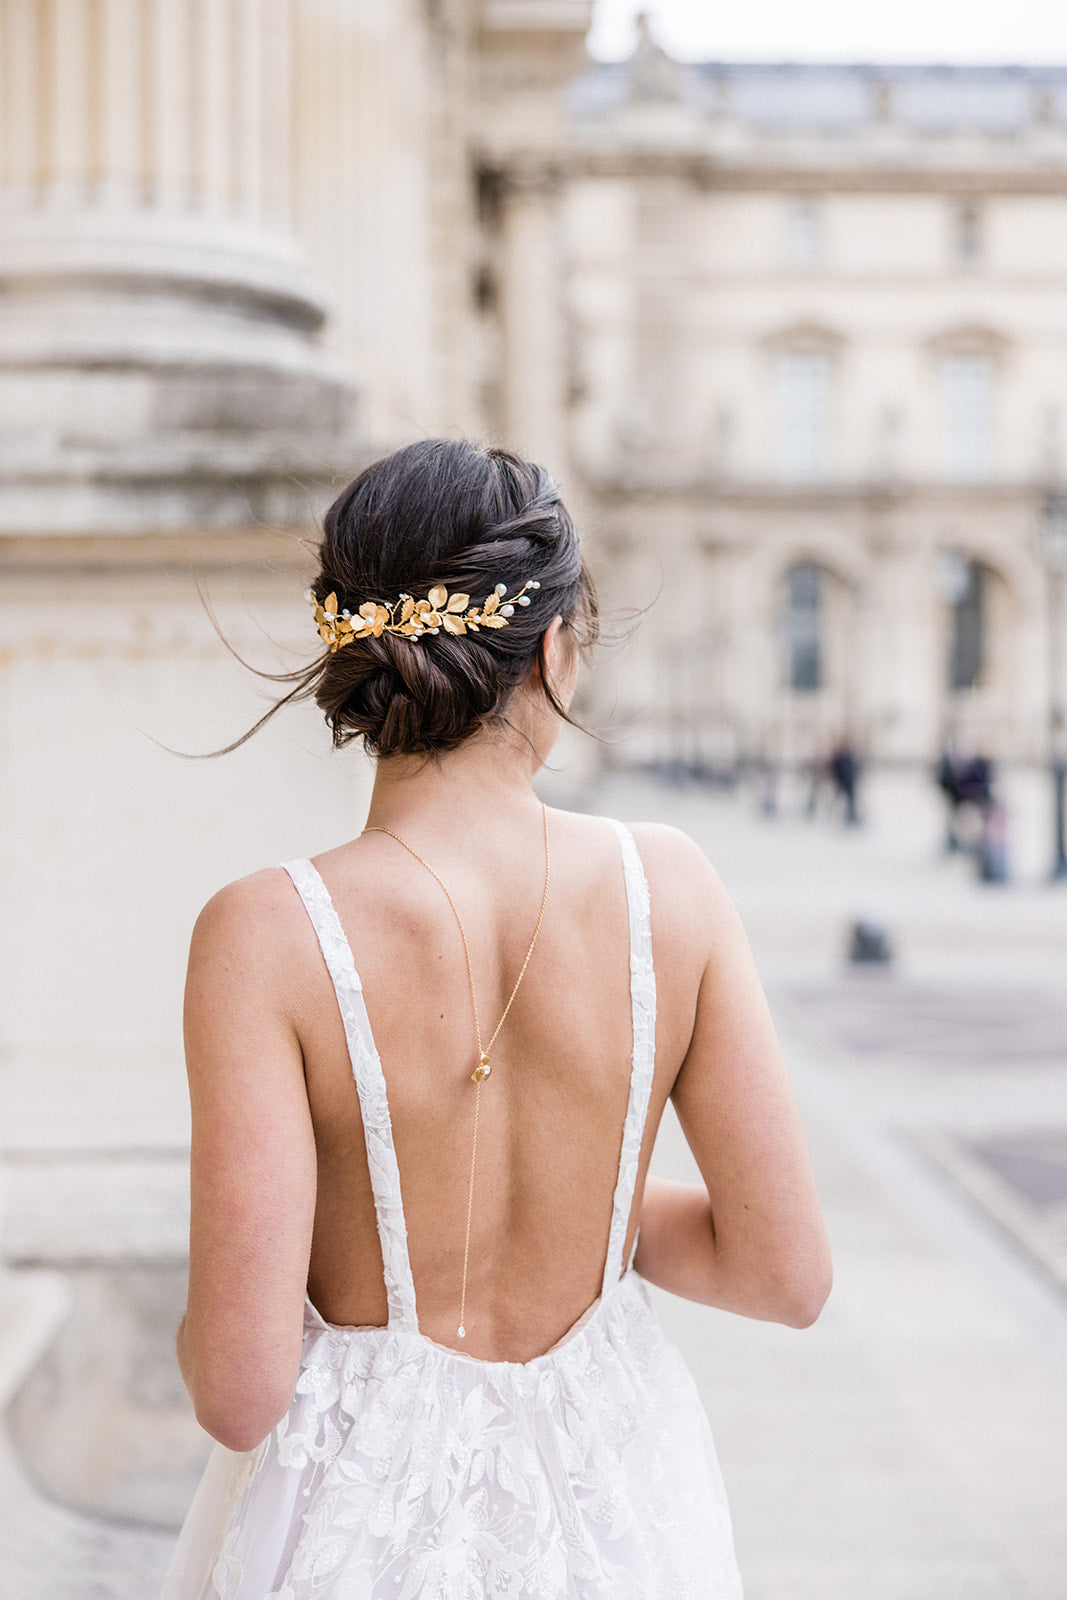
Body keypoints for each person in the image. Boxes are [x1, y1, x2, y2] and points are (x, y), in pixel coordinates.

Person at [161, 439, 832, 1599]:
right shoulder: (668, 885)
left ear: (349, 655)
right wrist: (598, 1205)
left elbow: (237, 1386)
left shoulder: (265, 933)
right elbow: (784, 1274)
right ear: (556, 652)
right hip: (616, 1499)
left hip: (354, 1518)